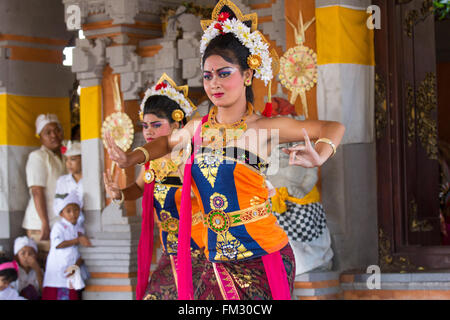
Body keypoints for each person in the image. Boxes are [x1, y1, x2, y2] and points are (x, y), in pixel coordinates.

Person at [106, 0, 345, 300]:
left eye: (224, 73)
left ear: (247, 75)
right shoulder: (198, 129)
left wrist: (321, 153)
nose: (214, 83)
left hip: (262, 255)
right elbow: (166, 143)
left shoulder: (262, 129)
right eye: (207, 75)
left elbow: (332, 127)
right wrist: (132, 157)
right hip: (215, 260)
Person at [103, 73, 205, 300]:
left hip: (201, 247)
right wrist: (119, 193)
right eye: (145, 126)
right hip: (170, 248)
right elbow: (139, 188)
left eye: (156, 125)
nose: (148, 132)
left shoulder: (195, 157)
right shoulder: (151, 159)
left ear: (177, 124)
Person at [22, 114, 66, 265]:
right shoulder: (38, 157)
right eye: (48, 132)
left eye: (57, 130)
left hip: (59, 221)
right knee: (47, 267)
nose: (54, 135)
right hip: (40, 224)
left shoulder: (64, 156)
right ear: (40, 136)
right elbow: (37, 191)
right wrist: (44, 223)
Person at [41, 191, 91, 300]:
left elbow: (83, 251)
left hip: (72, 269)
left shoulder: (80, 228)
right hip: (57, 270)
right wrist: (77, 240)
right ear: (61, 214)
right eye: (68, 211)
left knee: (71, 294)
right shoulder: (58, 226)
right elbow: (58, 244)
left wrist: (76, 265)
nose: (73, 214)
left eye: (76, 210)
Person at [55, 140, 85, 233]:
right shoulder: (62, 181)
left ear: (83, 159)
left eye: (73, 159)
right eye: (66, 160)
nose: (68, 164)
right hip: (69, 228)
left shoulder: (90, 180)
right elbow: (57, 205)